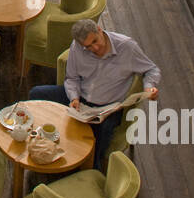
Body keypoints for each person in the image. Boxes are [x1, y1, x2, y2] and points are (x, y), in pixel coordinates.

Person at [28, 19, 160, 170]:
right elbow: (72, 78)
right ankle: (42, 143)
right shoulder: (77, 47)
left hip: (109, 107)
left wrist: (149, 87)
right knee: (36, 93)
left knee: (99, 142)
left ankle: (92, 171)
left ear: (99, 29)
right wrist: (74, 98)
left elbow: (152, 69)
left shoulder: (127, 47)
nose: (95, 48)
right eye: (88, 47)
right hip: (81, 99)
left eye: (95, 41)